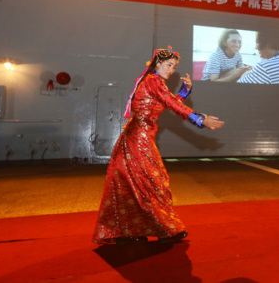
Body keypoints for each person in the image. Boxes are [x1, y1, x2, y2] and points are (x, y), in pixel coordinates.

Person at [93, 46, 225, 245]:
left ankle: (134, 230)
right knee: (151, 182)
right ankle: (160, 228)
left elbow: (166, 103)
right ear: (157, 63)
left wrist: (184, 92)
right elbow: (172, 104)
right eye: (169, 65)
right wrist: (199, 120)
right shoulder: (154, 80)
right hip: (139, 138)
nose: (172, 70)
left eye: (174, 66)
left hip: (140, 136)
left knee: (138, 184)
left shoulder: (154, 83)